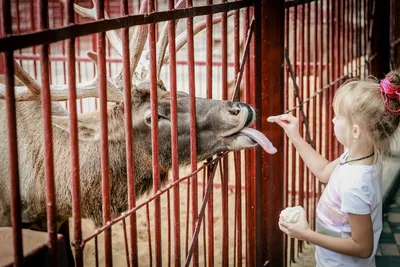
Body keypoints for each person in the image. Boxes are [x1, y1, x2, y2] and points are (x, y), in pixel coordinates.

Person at [273, 70, 400, 267]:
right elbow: (324, 172)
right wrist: (295, 136)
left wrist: (306, 234)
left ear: (356, 131)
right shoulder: (359, 155)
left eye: (338, 117)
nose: (333, 120)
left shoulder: (355, 185)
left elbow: (363, 247)